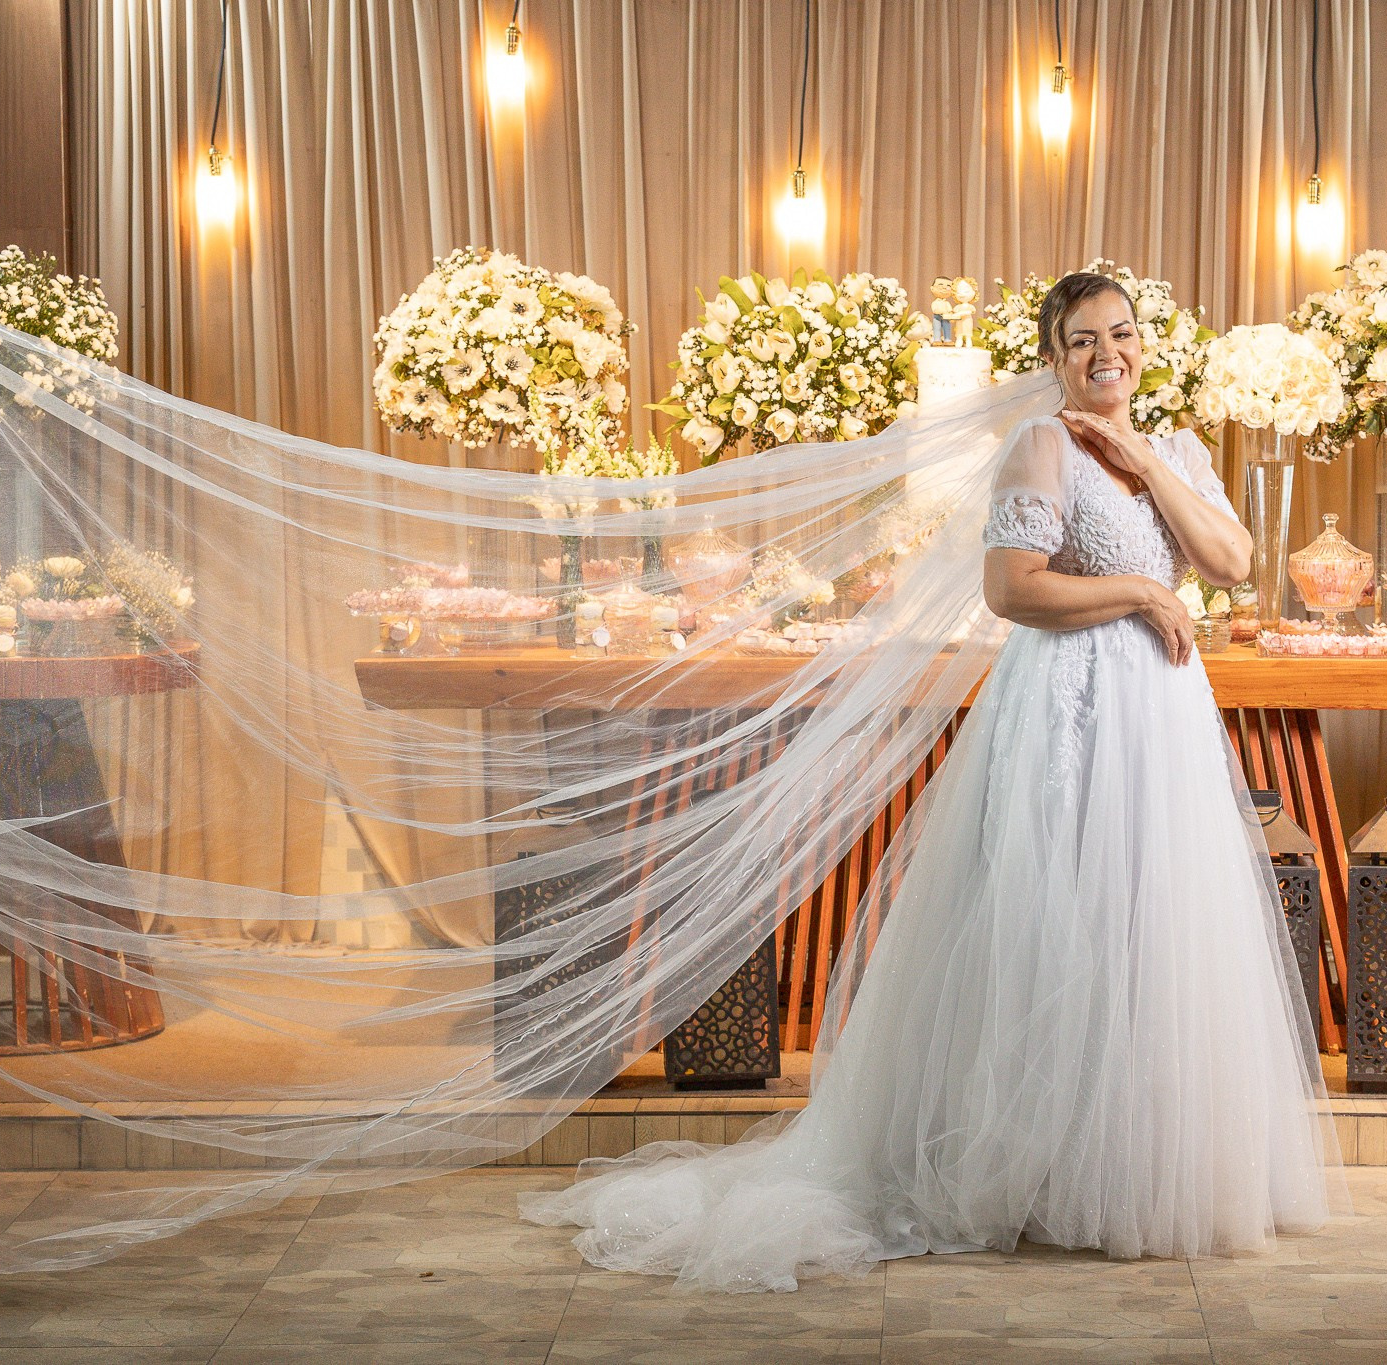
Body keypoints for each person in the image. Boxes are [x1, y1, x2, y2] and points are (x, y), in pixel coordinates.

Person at [521, 271, 1335, 1290]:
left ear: (1142, 344)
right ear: (1051, 357)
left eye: (1119, 335)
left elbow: (1226, 557)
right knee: (1052, 927)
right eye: (1080, 341)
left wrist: (1141, 459)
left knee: (1148, 927)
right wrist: (1135, 586)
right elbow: (1011, 588)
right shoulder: (1040, 445)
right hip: (1065, 711)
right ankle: (1027, 1170)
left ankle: (1128, 1165)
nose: (1104, 356)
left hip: (1157, 722)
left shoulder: (1176, 450)